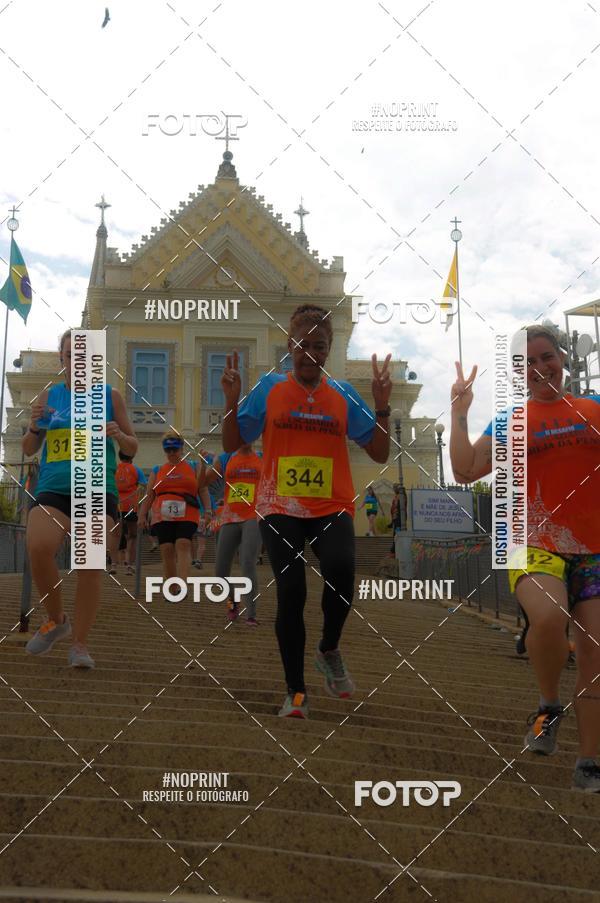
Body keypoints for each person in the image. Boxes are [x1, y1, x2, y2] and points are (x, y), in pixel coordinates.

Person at [221, 303, 392, 718]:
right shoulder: (270, 389)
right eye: (301, 345)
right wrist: (231, 400)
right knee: (291, 591)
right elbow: (230, 443)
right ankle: (295, 692)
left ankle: (329, 647)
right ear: (289, 346)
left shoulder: (343, 395)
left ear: (328, 350)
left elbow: (380, 450)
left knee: (341, 575)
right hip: (279, 505)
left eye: (318, 346)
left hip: (331, 505)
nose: (308, 353)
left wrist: (382, 405)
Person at [449, 325, 600, 792]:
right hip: (532, 544)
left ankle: (590, 759)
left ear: (562, 360)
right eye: (527, 363)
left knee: (595, 652)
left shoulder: (592, 411)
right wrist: (459, 413)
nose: (540, 368)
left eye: (547, 357)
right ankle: (549, 703)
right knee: (550, 616)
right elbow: (465, 469)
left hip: (593, 549)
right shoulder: (512, 422)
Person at [23, 330, 137, 668]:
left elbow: (132, 447)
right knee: (39, 545)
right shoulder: (50, 395)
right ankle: (57, 619)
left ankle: (80, 644)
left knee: (88, 560)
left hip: (97, 487)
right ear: (63, 359)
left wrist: (119, 435)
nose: (79, 362)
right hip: (54, 486)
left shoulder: (110, 396)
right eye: (73, 355)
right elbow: (30, 449)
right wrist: (31, 428)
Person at [139, 433, 211, 593]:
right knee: (166, 549)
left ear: (181, 448)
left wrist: (208, 511)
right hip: (161, 513)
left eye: (175, 449)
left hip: (188, 511)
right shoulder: (158, 470)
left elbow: (203, 489)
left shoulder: (193, 466)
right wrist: (142, 515)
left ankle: (182, 584)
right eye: (168, 450)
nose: (171, 453)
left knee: (183, 544)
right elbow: (150, 495)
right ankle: (171, 586)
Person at [201, 444, 263, 624]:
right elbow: (203, 482)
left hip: (253, 515)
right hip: (229, 518)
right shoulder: (225, 458)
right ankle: (233, 603)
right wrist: (203, 465)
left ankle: (251, 614)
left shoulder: (262, 457)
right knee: (220, 571)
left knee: (247, 562)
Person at [113, 451, 147, 576]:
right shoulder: (136, 469)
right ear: (131, 457)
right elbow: (143, 486)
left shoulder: (114, 469)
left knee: (117, 535)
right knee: (132, 535)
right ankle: (129, 564)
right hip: (131, 505)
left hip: (116, 504)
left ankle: (114, 564)